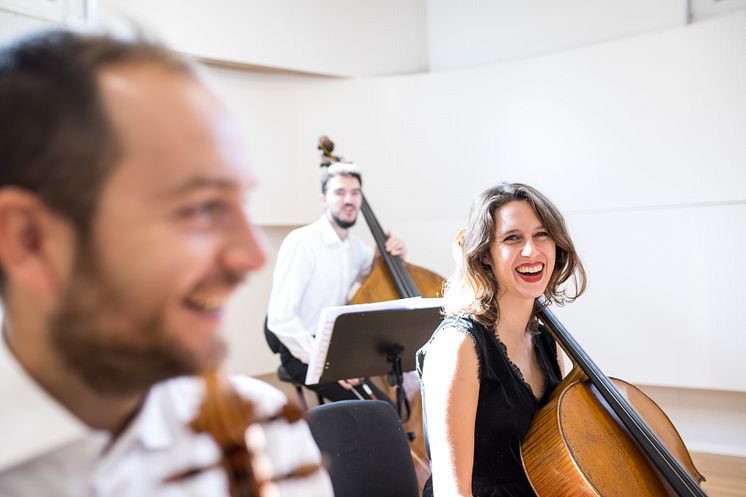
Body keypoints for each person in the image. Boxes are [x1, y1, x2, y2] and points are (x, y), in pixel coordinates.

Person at [0, 30, 332, 497]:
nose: (254, 256)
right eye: (200, 208)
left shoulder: (261, 432)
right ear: (29, 239)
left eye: (241, 202)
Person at [417, 183, 587, 497]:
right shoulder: (459, 345)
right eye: (512, 238)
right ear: (485, 255)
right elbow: (451, 491)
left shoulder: (545, 340)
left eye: (541, 234)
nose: (531, 251)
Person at [266, 162, 407, 402]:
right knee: (375, 409)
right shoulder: (302, 242)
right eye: (340, 192)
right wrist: (327, 362)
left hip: (335, 344)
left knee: (385, 404)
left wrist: (394, 256)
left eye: (355, 193)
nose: (348, 200)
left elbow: (375, 280)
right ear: (324, 199)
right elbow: (280, 320)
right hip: (301, 349)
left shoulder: (355, 248)